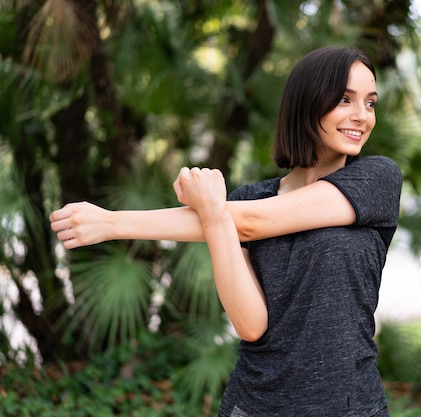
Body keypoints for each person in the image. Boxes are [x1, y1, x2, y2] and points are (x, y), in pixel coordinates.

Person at [50, 46, 402, 417]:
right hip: (254, 405)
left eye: (371, 103)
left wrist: (114, 222)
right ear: (308, 101)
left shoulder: (376, 179)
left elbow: (253, 220)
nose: (361, 116)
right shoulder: (250, 198)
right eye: (345, 99)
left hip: (349, 408)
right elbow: (250, 325)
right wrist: (213, 216)